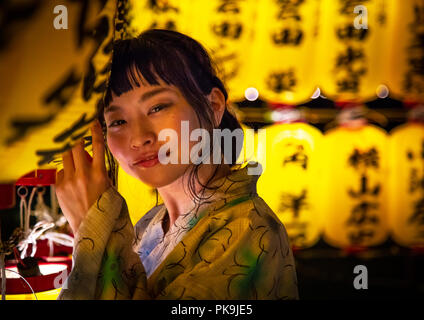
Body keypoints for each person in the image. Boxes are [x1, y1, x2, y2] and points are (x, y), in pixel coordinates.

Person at [55, 29, 298, 300]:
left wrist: (94, 225)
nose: (140, 138)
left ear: (213, 106)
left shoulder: (248, 230)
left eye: (158, 108)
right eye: (118, 122)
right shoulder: (151, 225)